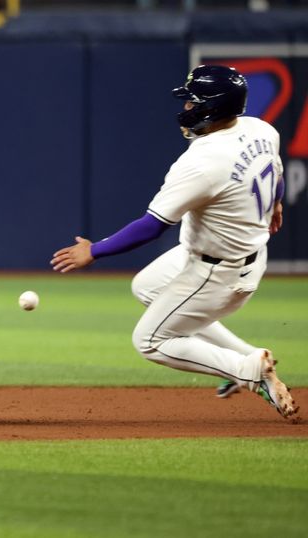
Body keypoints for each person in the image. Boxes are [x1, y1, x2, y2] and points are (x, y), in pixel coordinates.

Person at [50, 65, 298, 419]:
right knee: (147, 286)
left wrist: (94, 251)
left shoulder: (201, 162)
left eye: (193, 101)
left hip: (217, 273)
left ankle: (247, 370)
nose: (186, 108)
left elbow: (151, 227)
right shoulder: (261, 129)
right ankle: (250, 356)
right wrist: (275, 200)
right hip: (241, 254)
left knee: (149, 341)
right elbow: (275, 170)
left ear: (211, 108)